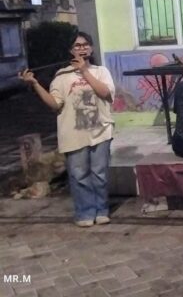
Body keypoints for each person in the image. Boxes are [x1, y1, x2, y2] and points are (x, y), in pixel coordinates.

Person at [19, 31, 115, 228]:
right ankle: (85, 212)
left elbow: (105, 93)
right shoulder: (62, 76)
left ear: (91, 48)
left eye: (85, 44)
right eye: (77, 45)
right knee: (79, 176)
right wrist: (35, 84)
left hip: (101, 131)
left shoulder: (101, 71)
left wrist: (85, 71)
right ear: (71, 50)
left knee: (100, 174)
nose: (82, 48)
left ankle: (101, 210)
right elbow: (55, 104)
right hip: (73, 134)